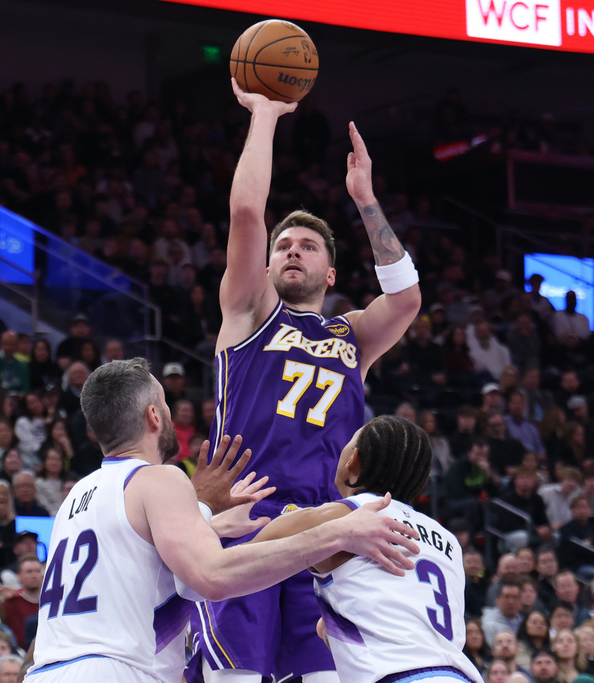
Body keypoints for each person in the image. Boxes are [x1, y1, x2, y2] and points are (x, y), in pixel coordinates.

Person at [192, 79, 421, 683]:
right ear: (267, 265)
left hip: (327, 533)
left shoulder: (351, 335)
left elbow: (406, 299)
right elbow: (246, 211)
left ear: (331, 269)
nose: (294, 251)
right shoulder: (249, 312)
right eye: (284, 245)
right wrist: (265, 115)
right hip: (246, 522)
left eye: (309, 245)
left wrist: (365, 199)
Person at [24, 358, 420, 683]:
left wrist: (206, 520)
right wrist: (337, 531)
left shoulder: (76, 497)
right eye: (164, 403)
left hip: (48, 669)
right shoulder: (160, 478)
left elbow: (136, 565)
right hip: (114, 671)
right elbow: (212, 578)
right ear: (154, 417)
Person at [251, 415, 482, 683]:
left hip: (398, 675)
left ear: (354, 459)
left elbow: (240, 564)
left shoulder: (344, 515)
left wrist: (215, 516)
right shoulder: (448, 539)